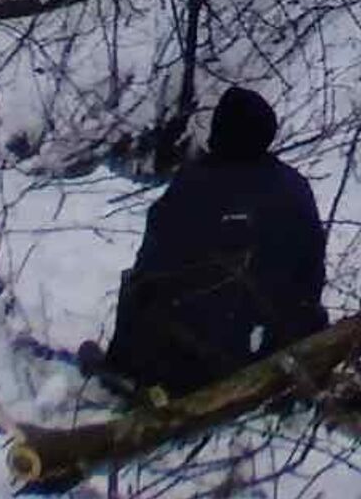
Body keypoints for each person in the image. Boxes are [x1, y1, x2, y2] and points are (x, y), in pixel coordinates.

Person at [99, 87, 327, 396]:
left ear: (219, 132)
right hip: (273, 354)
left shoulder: (189, 187)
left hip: (188, 366)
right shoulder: (293, 188)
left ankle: (127, 367)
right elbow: (311, 275)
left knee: (139, 286)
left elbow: (152, 269)